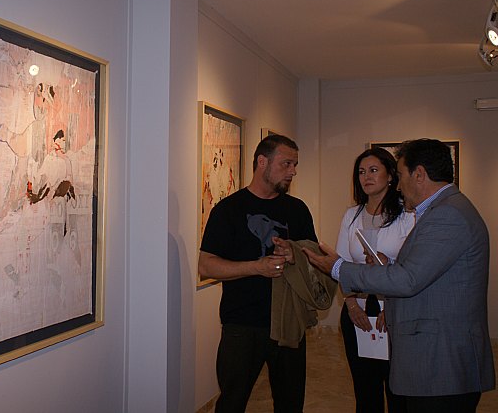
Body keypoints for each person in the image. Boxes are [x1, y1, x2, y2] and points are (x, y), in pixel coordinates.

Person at [303, 139, 495, 413]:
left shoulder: (447, 215)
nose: (399, 185)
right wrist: (388, 264)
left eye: (401, 175)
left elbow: (408, 280)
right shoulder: (444, 209)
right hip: (435, 357)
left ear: (419, 174)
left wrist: (337, 268)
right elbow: (423, 270)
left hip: (442, 362)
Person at [198, 134, 317, 413]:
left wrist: (294, 254)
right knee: (232, 403)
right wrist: (257, 267)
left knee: (290, 404)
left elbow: (315, 259)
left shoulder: (298, 210)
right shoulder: (228, 210)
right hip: (242, 324)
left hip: (288, 323)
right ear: (262, 162)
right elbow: (206, 266)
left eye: (295, 165)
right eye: (286, 164)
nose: (293, 171)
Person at [336, 148, 413, 413]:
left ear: (391, 175)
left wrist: (387, 264)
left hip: (393, 310)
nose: (366, 177)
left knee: (397, 391)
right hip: (358, 311)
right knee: (365, 391)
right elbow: (342, 265)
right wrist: (351, 305)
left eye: (373, 170)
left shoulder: (407, 215)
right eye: (361, 172)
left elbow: (413, 267)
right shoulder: (352, 215)